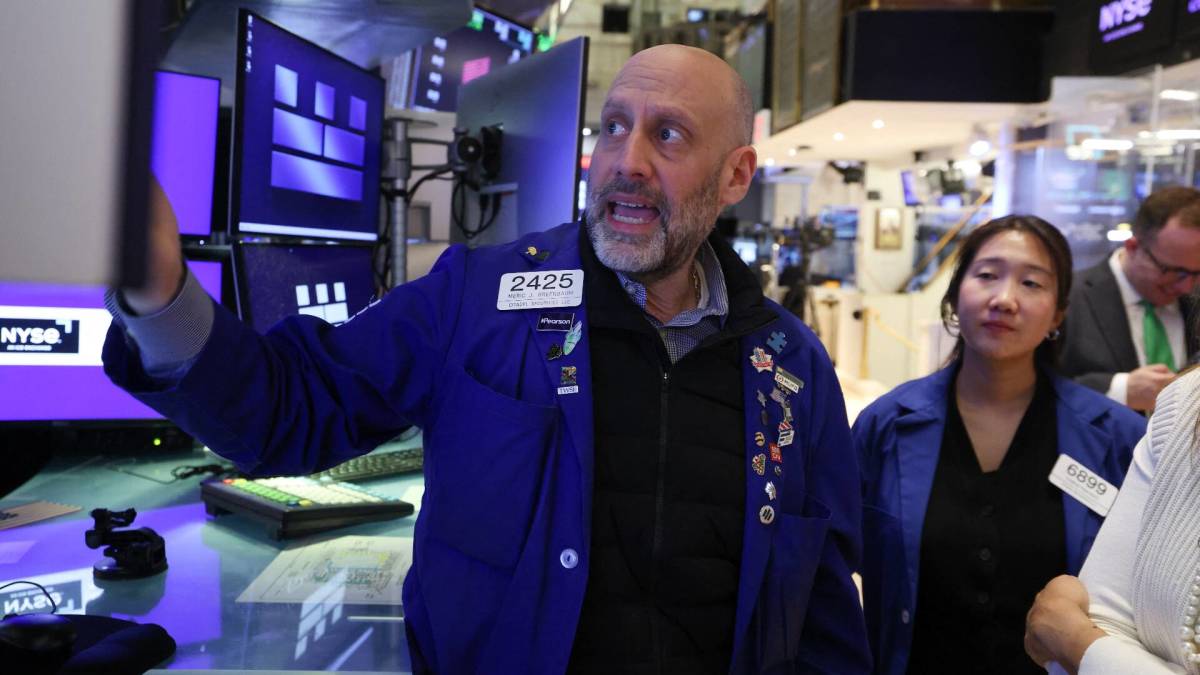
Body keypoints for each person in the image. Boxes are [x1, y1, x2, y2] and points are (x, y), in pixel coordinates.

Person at [101, 45, 871, 673]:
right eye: (612, 127)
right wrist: (160, 291)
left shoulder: (791, 369)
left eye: (668, 135)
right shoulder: (475, 296)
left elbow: (823, 614)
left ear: (736, 175)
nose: (626, 160)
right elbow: (285, 410)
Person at [852, 216, 1146, 674]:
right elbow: (835, 565)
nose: (1004, 299)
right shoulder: (887, 425)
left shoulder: (1116, 437)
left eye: (1031, 283)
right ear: (955, 297)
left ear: (1058, 313)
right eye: (987, 275)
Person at [1024, 367, 1200, 674]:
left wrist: (1075, 641)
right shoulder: (1185, 402)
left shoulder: (1118, 424)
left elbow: (1079, 634)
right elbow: (1105, 617)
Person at [1058, 186, 1200, 412]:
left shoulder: (1194, 299)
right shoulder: (1068, 298)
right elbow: (1033, 389)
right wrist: (1119, 390)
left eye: (1197, 273)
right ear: (1133, 247)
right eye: (1173, 271)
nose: (1187, 286)